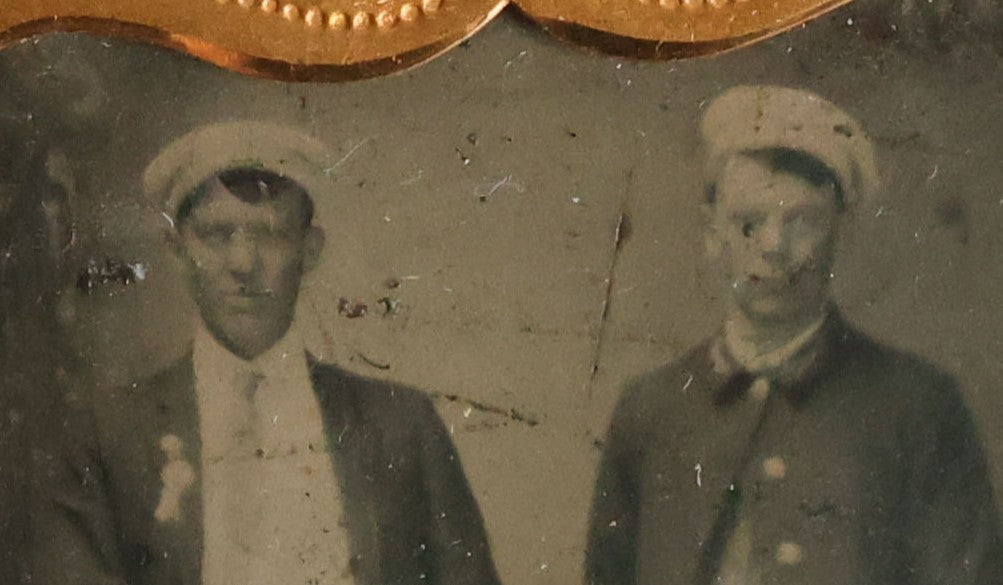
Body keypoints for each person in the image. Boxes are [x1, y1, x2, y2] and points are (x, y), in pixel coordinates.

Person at [31, 121, 501, 585]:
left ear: (310, 251)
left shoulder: (402, 426)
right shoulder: (108, 433)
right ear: (176, 251)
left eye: (271, 234)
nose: (243, 263)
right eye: (217, 235)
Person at [585, 85, 1002, 585]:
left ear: (835, 232)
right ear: (712, 235)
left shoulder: (918, 408)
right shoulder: (650, 412)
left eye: (801, 221)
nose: (774, 247)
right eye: (748, 224)